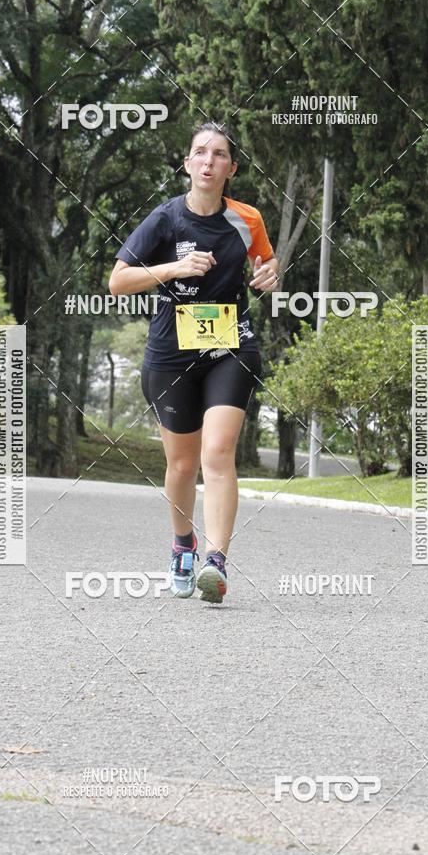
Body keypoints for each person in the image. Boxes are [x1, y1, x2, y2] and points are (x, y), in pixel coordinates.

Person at [108, 121, 279, 604]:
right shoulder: (165, 219)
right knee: (182, 465)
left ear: (231, 168)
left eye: (219, 154)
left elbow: (265, 267)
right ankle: (183, 545)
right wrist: (173, 268)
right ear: (187, 164)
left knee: (218, 453)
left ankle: (216, 562)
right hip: (171, 353)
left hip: (230, 346)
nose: (208, 161)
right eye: (200, 152)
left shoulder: (248, 218)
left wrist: (270, 273)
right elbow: (117, 281)